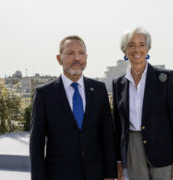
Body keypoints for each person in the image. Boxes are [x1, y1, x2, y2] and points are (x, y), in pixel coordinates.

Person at [30, 35, 117, 180]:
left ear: (86, 57)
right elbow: (36, 144)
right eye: (70, 53)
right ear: (59, 59)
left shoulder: (99, 90)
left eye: (81, 53)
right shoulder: (44, 94)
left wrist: (110, 174)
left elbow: (107, 135)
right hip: (59, 175)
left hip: (95, 174)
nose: (77, 58)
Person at [113, 27, 173, 180]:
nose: (137, 49)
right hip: (133, 150)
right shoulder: (118, 83)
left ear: (148, 48)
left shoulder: (166, 78)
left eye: (141, 44)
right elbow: (117, 125)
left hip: (163, 149)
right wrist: (118, 159)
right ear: (125, 50)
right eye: (131, 45)